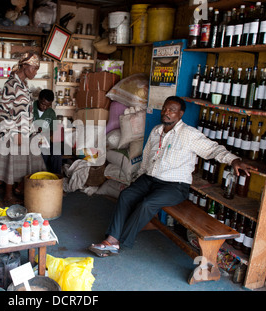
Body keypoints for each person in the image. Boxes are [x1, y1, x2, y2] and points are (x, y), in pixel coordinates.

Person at [88, 96, 257, 257]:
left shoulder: (188, 134)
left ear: (180, 114)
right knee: (126, 195)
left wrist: (234, 160)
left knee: (147, 204)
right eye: (165, 109)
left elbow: (212, 149)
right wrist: (138, 179)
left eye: (172, 110)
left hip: (175, 185)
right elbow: (147, 157)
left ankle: (116, 241)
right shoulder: (156, 131)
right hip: (150, 178)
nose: (166, 112)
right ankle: (112, 238)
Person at [0, 52, 46, 205]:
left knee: (32, 161)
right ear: (24, 66)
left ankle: (20, 189)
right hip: (13, 132)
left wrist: (34, 132)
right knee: (12, 162)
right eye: (34, 68)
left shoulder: (24, 84)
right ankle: (8, 195)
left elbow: (26, 111)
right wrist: (12, 133)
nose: (35, 72)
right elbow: (4, 111)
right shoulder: (11, 84)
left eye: (37, 69)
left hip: (25, 131)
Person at [33, 89, 62, 175]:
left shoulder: (51, 113)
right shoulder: (30, 107)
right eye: (43, 104)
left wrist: (47, 135)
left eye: (48, 105)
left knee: (57, 153)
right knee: (43, 153)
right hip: (31, 139)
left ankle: (55, 178)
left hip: (46, 139)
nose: (44, 107)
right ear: (38, 99)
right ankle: (43, 178)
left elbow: (54, 130)